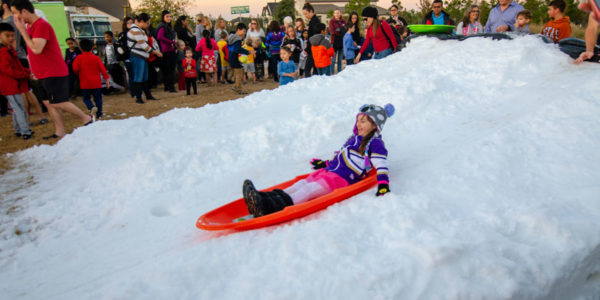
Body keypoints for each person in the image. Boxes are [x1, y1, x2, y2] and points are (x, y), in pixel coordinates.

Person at [242, 103, 395, 217]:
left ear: (375, 126)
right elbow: (341, 159)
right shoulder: (353, 139)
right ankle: (262, 198)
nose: (358, 124)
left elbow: (381, 164)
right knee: (300, 184)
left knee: (308, 191)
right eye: (358, 120)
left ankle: (269, 207)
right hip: (327, 172)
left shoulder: (375, 143)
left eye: (363, 121)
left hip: (340, 180)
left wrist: (383, 185)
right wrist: (325, 163)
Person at [11, 0, 94, 139]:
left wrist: (22, 31)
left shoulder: (41, 25)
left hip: (53, 71)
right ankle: (59, 131)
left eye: (15, 13)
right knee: (49, 103)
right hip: (42, 72)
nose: (15, 17)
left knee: (58, 102)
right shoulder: (31, 27)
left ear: (24, 12)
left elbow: (36, 48)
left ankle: (86, 118)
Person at [1, 0, 46, 126]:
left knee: (23, 92)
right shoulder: (11, 21)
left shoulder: (8, 22)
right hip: (19, 56)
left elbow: (14, 42)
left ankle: (27, 120)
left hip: (16, 57)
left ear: (4, 5)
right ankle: (33, 118)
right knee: (25, 91)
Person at [0, 22, 32, 139]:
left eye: (12, 36)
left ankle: (19, 129)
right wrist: (24, 73)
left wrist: (24, 72)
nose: (11, 38)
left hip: (12, 84)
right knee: (19, 108)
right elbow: (8, 69)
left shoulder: (7, 49)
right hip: (10, 85)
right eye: (7, 36)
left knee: (16, 108)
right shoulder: (3, 51)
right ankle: (25, 131)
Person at [128, 12, 162, 104]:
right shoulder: (136, 30)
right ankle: (139, 98)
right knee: (138, 77)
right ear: (142, 21)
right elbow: (143, 45)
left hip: (142, 57)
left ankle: (147, 95)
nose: (148, 25)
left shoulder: (139, 29)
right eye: (147, 23)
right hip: (138, 56)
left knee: (144, 77)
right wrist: (155, 52)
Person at [72, 39, 107, 119]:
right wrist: (106, 79)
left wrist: (79, 74)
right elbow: (103, 70)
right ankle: (99, 113)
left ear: (80, 48)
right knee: (98, 99)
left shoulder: (79, 58)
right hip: (96, 83)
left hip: (85, 83)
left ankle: (91, 107)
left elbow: (75, 69)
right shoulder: (96, 58)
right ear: (92, 48)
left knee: (86, 98)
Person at [227, 22, 251, 95]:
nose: (244, 33)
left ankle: (236, 86)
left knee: (240, 72)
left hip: (231, 57)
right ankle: (238, 89)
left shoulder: (231, 38)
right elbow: (238, 49)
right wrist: (248, 52)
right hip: (234, 58)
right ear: (238, 30)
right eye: (244, 31)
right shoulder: (237, 39)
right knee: (239, 74)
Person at [156, 10, 177, 93]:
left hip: (169, 49)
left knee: (168, 70)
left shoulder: (167, 27)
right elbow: (160, 37)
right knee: (169, 70)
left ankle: (168, 86)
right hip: (167, 50)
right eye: (167, 16)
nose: (169, 18)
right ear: (163, 17)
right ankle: (170, 87)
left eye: (170, 16)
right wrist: (171, 42)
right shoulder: (162, 26)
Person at [118, 17, 135, 98]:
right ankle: (133, 92)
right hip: (128, 58)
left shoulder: (136, 33)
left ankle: (137, 91)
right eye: (128, 23)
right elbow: (123, 48)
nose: (130, 25)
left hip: (136, 57)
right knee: (131, 75)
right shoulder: (123, 35)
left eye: (132, 23)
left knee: (137, 75)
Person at [303, 2, 320, 77]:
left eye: (306, 14)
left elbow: (313, 37)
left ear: (311, 11)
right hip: (314, 48)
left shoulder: (314, 21)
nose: (305, 16)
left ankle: (309, 83)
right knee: (315, 69)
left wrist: (307, 49)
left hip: (313, 48)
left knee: (307, 68)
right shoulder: (313, 21)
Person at [329, 9, 346, 74]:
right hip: (334, 41)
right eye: (336, 13)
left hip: (341, 41)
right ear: (334, 14)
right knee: (333, 59)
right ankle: (332, 73)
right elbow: (332, 31)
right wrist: (339, 30)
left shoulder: (343, 21)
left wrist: (340, 30)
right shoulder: (332, 21)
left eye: (338, 13)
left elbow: (344, 30)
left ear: (340, 13)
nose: (337, 14)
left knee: (340, 59)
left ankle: (339, 73)